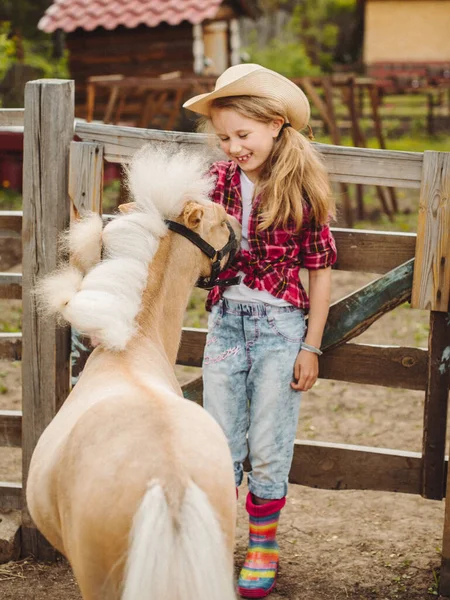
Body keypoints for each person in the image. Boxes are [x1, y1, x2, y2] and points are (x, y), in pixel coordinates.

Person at [183, 64, 337, 598]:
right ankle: (217, 540)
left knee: (269, 441)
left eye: (242, 135)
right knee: (218, 438)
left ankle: (263, 545)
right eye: (224, 137)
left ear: (275, 125)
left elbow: (320, 270)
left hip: (279, 329)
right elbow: (187, 230)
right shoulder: (216, 182)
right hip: (226, 323)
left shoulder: (303, 189)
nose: (232, 147)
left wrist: (311, 346)